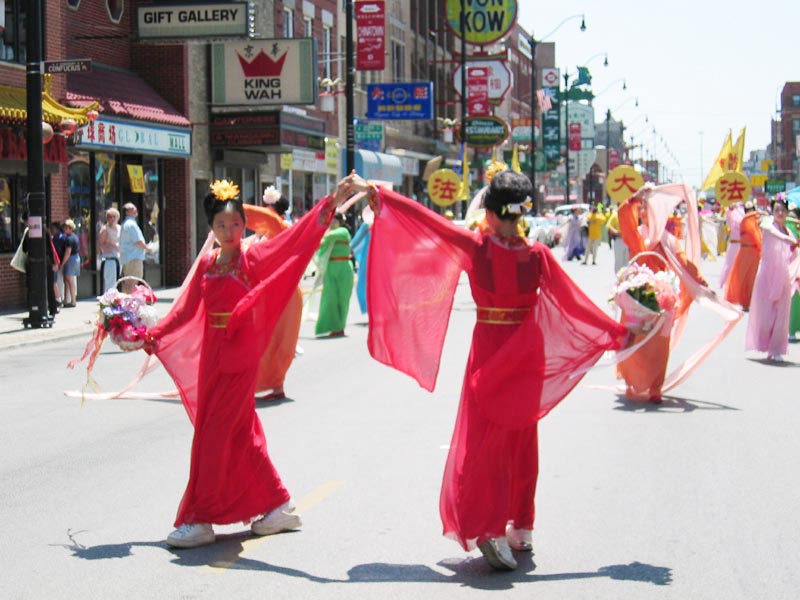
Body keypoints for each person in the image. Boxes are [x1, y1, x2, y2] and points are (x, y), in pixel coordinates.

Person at [361, 171, 629, 570]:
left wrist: (384, 198)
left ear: (488, 211)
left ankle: (489, 528)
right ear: (520, 212)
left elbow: (429, 224)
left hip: (489, 348)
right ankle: (521, 526)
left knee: (486, 439)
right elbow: (574, 303)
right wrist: (618, 333)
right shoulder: (537, 255)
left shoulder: (476, 247)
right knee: (522, 440)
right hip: (527, 352)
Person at [144, 176, 356, 548]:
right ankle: (278, 504)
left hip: (239, 358)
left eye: (236, 224)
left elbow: (295, 239)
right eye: (222, 225)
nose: (230, 232)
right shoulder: (207, 264)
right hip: (212, 358)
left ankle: (202, 517)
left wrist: (331, 203)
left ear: (245, 224)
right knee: (235, 433)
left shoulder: (252, 259)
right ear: (211, 229)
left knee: (215, 434)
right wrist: (150, 335)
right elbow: (184, 311)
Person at [616, 184, 742, 402]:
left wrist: (702, 284)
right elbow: (624, 215)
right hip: (636, 295)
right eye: (643, 209)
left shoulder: (669, 240)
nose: (645, 213)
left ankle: (655, 387)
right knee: (634, 340)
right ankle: (632, 382)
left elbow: (685, 264)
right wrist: (635, 198)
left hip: (662, 297)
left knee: (659, 344)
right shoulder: (637, 235)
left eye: (650, 209)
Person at [241, 187, 303, 401]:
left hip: (284, 290)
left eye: (268, 209)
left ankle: (274, 384)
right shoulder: (267, 233)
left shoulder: (282, 228)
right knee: (267, 339)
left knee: (278, 340)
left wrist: (229, 206)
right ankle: (273, 385)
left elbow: (265, 218)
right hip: (270, 290)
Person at [745, 199, 800, 362]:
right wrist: (787, 239)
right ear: (772, 211)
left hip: (783, 276)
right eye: (777, 210)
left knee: (781, 315)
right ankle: (766, 343)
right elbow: (771, 232)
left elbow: (795, 253)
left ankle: (776, 348)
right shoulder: (767, 223)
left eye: (783, 210)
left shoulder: (789, 231)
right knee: (766, 315)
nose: (780, 213)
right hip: (767, 275)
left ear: (787, 212)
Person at [314, 212, 354, 337]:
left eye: (334, 220)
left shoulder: (343, 232)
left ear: (340, 222)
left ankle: (340, 327)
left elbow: (327, 238)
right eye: (331, 220)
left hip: (344, 269)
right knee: (329, 299)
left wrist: (322, 235)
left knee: (343, 299)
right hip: (330, 269)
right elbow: (320, 247)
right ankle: (331, 327)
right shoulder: (329, 234)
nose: (332, 222)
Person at [725, 201, 762, 311]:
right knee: (743, 278)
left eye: (751, 209)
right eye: (748, 209)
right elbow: (730, 217)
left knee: (753, 278)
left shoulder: (758, 221)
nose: (750, 211)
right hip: (745, 252)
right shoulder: (745, 221)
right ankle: (745, 302)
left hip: (755, 252)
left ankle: (751, 302)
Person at [119, 203, 149, 293]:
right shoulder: (131, 224)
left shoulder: (127, 224)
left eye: (135, 208)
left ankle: (126, 300)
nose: (135, 210)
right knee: (133, 283)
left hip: (129, 258)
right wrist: (148, 248)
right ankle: (129, 301)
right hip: (134, 258)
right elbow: (138, 242)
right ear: (127, 212)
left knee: (128, 284)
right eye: (132, 209)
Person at [350, 206, 373, 314]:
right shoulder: (367, 225)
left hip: (372, 256)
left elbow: (356, 240)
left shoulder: (370, 225)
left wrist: (348, 248)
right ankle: (371, 306)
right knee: (366, 281)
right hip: (371, 256)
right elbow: (356, 240)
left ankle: (372, 306)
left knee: (366, 280)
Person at [719, 202, 745, 290]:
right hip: (734, 244)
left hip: (743, 245)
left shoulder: (744, 217)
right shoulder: (731, 216)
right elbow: (729, 215)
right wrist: (730, 209)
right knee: (729, 265)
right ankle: (727, 282)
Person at [97, 207, 121, 293]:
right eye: (110, 217)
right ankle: (108, 298)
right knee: (110, 282)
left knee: (117, 281)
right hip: (109, 258)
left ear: (118, 217)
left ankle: (114, 297)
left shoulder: (120, 228)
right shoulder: (105, 229)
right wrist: (109, 248)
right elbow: (100, 244)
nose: (112, 219)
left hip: (118, 257)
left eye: (114, 216)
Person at [59, 219, 80, 307]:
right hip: (75, 258)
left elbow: (68, 252)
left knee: (69, 280)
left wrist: (62, 263)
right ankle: (66, 300)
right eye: (64, 227)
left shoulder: (69, 239)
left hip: (71, 259)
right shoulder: (75, 237)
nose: (65, 229)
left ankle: (73, 301)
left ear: (71, 228)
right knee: (67, 280)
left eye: (67, 228)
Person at [605, 206, 629, 273]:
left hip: (629, 240)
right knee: (619, 260)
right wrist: (616, 232)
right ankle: (618, 276)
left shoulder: (630, 215)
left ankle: (626, 276)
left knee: (627, 261)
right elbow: (608, 226)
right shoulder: (615, 215)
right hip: (619, 240)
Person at [49, 221, 66, 306]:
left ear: (57, 229)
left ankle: (59, 299)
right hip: (57, 262)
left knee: (56, 281)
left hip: (57, 262)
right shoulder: (55, 237)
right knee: (56, 281)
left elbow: (59, 251)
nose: (51, 230)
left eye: (52, 229)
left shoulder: (60, 238)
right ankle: (59, 298)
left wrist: (58, 263)